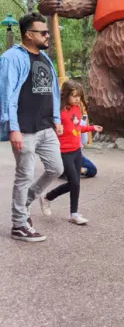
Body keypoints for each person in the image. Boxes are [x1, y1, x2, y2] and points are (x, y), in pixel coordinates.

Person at [0, 12, 64, 242]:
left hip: (46, 127)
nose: (48, 36)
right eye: (43, 32)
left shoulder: (45, 59)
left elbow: (52, 91)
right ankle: (19, 224)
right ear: (28, 34)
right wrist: (13, 127)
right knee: (24, 175)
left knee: (56, 168)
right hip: (24, 128)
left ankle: (25, 201)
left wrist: (56, 119)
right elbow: (7, 96)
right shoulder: (11, 58)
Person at [40, 81, 102, 225]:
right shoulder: (57, 111)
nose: (77, 99)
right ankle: (47, 198)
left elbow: (77, 128)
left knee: (76, 183)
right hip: (63, 151)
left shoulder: (76, 109)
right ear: (66, 94)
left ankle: (73, 213)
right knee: (73, 181)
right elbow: (48, 129)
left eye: (79, 96)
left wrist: (92, 128)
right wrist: (56, 130)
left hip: (76, 150)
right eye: (74, 96)